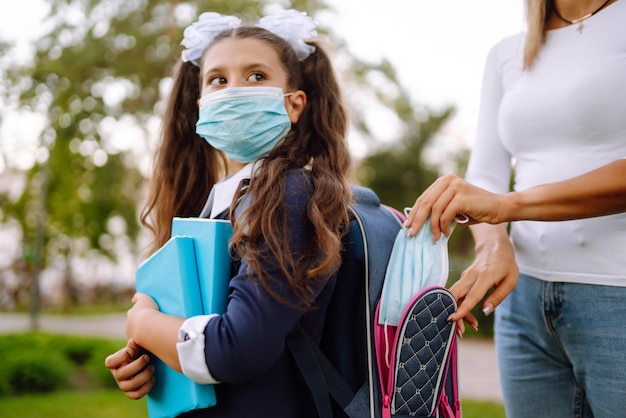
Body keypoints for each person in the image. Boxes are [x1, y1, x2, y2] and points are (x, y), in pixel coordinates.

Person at [104, 9, 353, 417]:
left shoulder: (288, 195)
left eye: (257, 76)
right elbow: (203, 326)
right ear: (201, 104)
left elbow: (236, 350)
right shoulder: (220, 201)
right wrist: (153, 361)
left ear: (294, 105)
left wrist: (142, 324)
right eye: (218, 79)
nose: (235, 90)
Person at [405, 0, 626, 416]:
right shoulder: (507, 52)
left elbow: (495, 199)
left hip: (617, 294)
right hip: (522, 305)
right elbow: (485, 174)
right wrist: (494, 247)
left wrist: (508, 206)